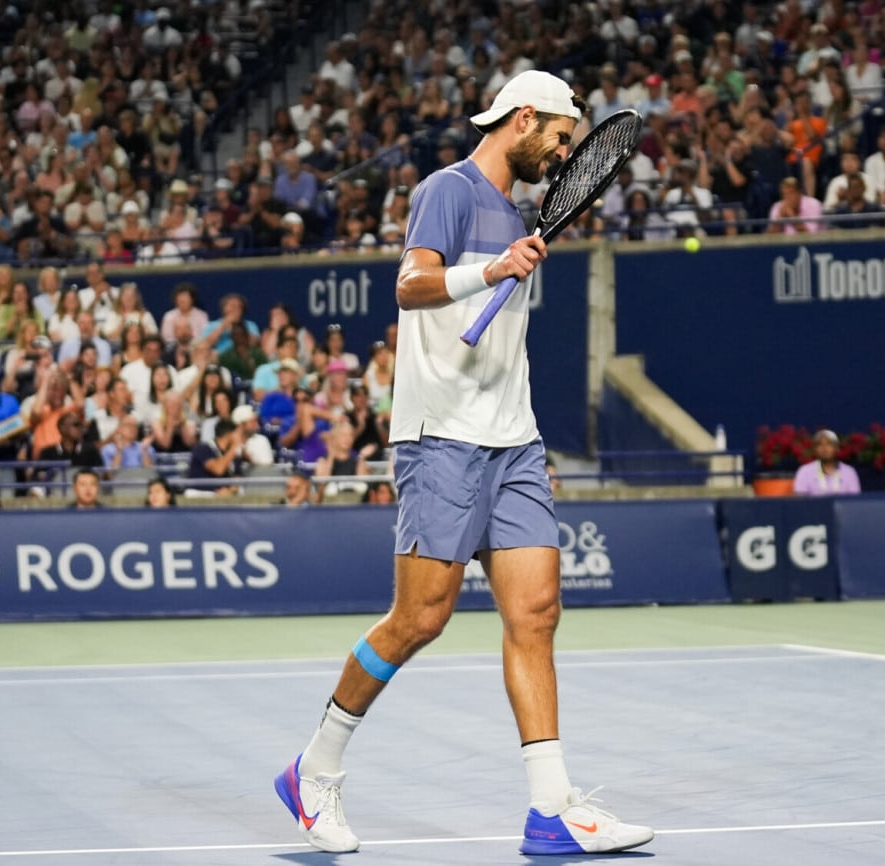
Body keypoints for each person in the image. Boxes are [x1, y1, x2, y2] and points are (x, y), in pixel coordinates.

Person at [274, 70, 652, 858]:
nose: (564, 151)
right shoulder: (447, 189)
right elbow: (410, 287)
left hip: (512, 437)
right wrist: (491, 268)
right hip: (440, 434)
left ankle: (552, 810)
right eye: (559, 136)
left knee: (536, 613)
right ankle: (313, 770)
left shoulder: (517, 209)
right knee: (421, 617)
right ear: (524, 119)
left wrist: (506, 261)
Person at [792, 429, 861, 496]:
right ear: (815, 449)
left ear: (837, 448)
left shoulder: (849, 472)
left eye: (829, 444)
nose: (824, 448)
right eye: (820, 445)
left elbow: (854, 502)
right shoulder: (804, 472)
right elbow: (800, 502)